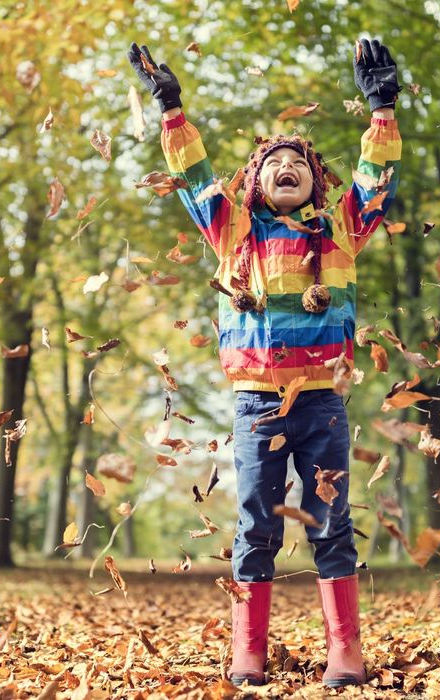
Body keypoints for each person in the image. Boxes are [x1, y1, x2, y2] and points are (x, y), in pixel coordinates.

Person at [127, 37, 401, 688]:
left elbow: (373, 183)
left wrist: (383, 114)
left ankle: (346, 651)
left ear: (314, 183)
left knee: (333, 519)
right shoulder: (231, 235)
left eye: (298, 161)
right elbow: (194, 177)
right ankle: (248, 650)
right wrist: (172, 111)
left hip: (321, 403)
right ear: (253, 182)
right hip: (255, 405)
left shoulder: (337, 234)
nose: (286, 164)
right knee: (257, 522)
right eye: (273, 160)